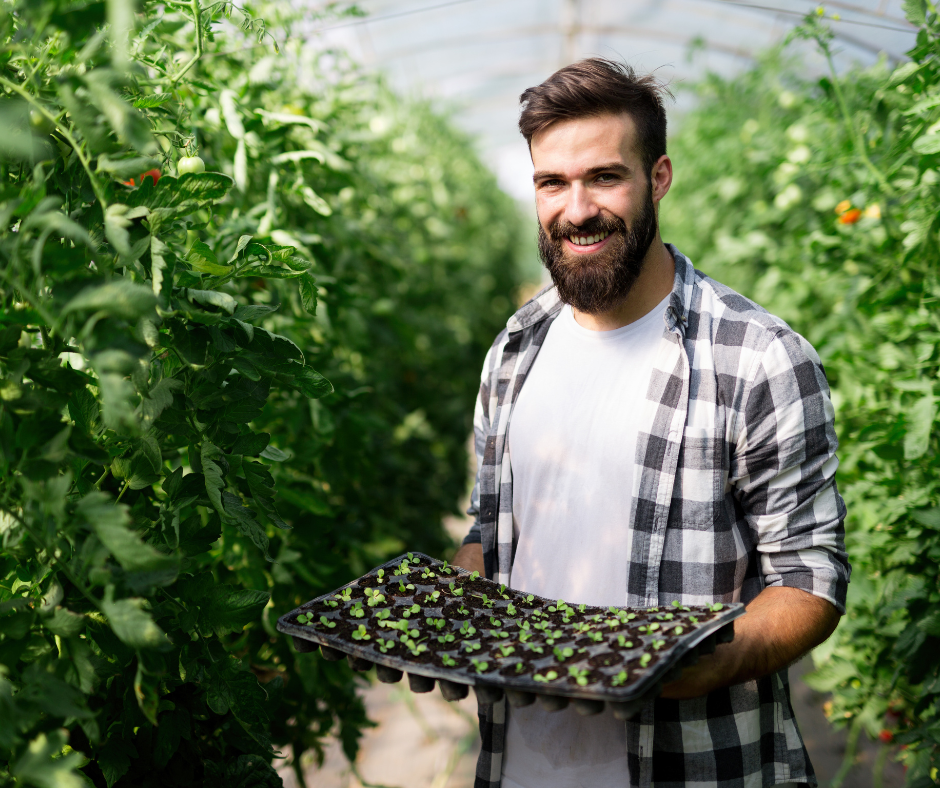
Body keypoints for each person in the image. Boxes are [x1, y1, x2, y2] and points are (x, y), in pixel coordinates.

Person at [452, 58, 850, 788]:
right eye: (552, 183)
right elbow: (490, 531)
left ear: (657, 178)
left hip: (692, 765)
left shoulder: (758, 360)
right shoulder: (512, 352)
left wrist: (709, 661)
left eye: (604, 177)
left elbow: (810, 576)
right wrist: (454, 617)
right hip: (523, 764)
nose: (576, 210)